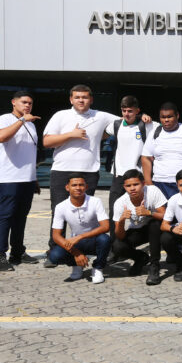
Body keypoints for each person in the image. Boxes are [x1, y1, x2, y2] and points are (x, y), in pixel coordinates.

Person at [42, 84, 121, 265]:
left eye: (85, 97)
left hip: (89, 171)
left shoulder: (100, 116)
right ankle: (55, 249)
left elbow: (127, 121)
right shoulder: (61, 116)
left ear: (91, 99)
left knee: (86, 214)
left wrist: (147, 120)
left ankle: (83, 248)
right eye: (77, 97)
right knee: (58, 211)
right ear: (71, 99)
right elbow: (47, 141)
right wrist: (71, 135)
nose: (81, 100)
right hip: (62, 170)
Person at [0, 90, 40, 271]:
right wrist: (21, 121)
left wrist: (34, 178)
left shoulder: (32, 124)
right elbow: (1, 137)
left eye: (30, 103)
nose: (27, 105)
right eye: (24, 102)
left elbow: (29, 153)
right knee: (6, 215)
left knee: (21, 217)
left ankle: (18, 251)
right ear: (14, 102)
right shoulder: (5, 119)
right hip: (9, 177)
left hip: (27, 178)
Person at [104, 96, 156, 233]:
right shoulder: (115, 125)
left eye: (130, 111)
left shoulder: (146, 125)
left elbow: (169, 126)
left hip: (138, 176)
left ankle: (146, 240)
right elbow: (100, 132)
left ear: (137, 111)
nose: (126, 114)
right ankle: (114, 247)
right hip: (119, 176)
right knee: (114, 212)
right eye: (124, 110)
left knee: (145, 211)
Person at [47, 174, 110, 283]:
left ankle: (98, 268)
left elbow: (106, 226)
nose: (78, 188)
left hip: (94, 240)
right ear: (67, 187)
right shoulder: (61, 206)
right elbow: (56, 236)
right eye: (74, 185)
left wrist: (80, 236)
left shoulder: (95, 201)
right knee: (54, 256)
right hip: (76, 243)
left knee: (105, 239)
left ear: (86, 187)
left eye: (81, 185)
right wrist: (76, 253)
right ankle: (76, 265)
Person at [111, 169, 167, 285]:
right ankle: (141, 258)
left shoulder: (152, 191)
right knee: (117, 246)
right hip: (138, 230)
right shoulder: (120, 202)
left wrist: (149, 213)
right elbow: (119, 235)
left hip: (156, 229)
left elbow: (166, 216)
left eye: (136, 184)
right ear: (124, 187)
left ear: (143, 183)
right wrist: (121, 220)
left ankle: (154, 265)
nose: (132, 188)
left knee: (154, 224)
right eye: (128, 186)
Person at [141, 102, 182, 199]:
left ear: (177, 116)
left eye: (170, 117)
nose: (166, 120)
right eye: (163, 117)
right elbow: (146, 157)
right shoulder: (155, 132)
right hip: (160, 183)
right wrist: (148, 182)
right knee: (162, 214)